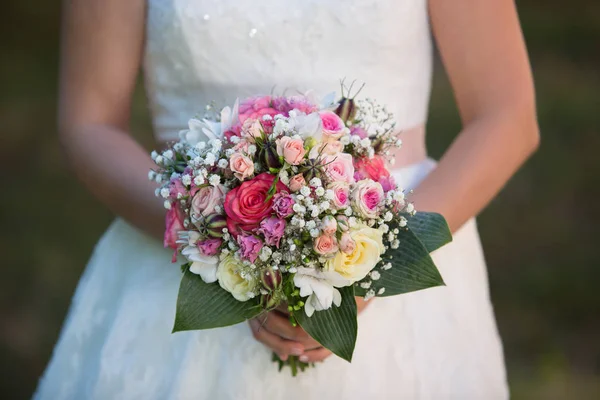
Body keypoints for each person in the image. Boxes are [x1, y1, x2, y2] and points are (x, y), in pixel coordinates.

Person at [35, 0, 539, 398]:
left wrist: (373, 264)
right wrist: (219, 241)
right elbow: (89, 121)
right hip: (182, 255)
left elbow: (506, 116)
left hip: (398, 238)